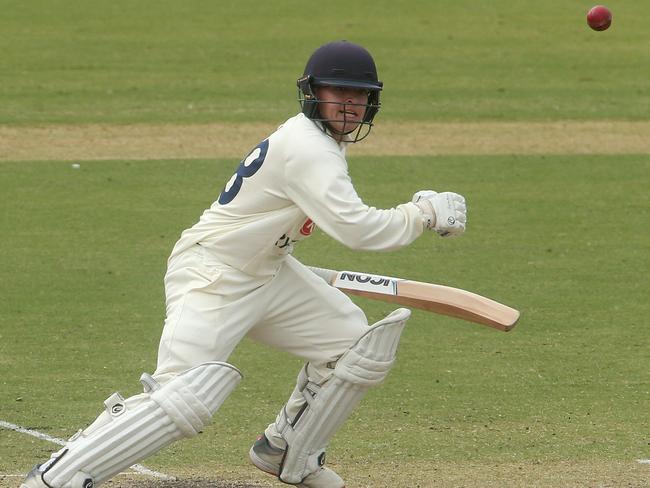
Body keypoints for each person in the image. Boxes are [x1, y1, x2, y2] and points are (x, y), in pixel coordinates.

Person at [21, 40, 467, 488]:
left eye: (359, 95)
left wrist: (276, 255)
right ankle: (56, 476)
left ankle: (287, 451)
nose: (350, 104)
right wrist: (422, 213)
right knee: (182, 397)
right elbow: (359, 230)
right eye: (339, 92)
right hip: (214, 275)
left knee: (353, 344)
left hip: (266, 270)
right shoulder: (309, 147)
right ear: (314, 92)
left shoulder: (320, 141)